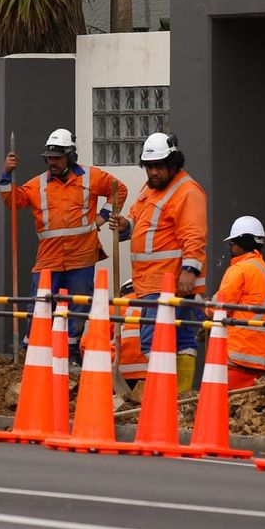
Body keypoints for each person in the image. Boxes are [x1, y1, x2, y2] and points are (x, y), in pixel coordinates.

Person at [0, 129, 126, 352]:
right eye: (49, 158)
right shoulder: (38, 185)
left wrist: (102, 218)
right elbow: (13, 201)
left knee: (78, 305)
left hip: (82, 256)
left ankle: (70, 351)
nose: (52, 162)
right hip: (49, 258)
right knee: (40, 304)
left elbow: (119, 190)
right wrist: (6, 175)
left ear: (70, 155)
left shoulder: (92, 177)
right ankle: (33, 350)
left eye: (57, 158)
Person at [108, 132, 206, 393]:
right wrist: (124, 225)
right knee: (182, 336)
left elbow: (194, 235)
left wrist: (189, 270)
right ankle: (178, 396)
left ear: (173, 165)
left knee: (153, 339)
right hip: (151, 281)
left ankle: (165, 394)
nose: (153, 172)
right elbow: (135, 219)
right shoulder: (149, 189)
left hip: (168, 281)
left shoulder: (187, 192)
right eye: (149, 167)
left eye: (158, 167)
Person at [212, 216, 265, 390]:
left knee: (220, 407)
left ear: (243, 242)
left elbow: (220, 308)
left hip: (237, 354)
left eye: (232, 243)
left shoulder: (239, 270)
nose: (230, 247)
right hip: (259, 357)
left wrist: (204, 308)